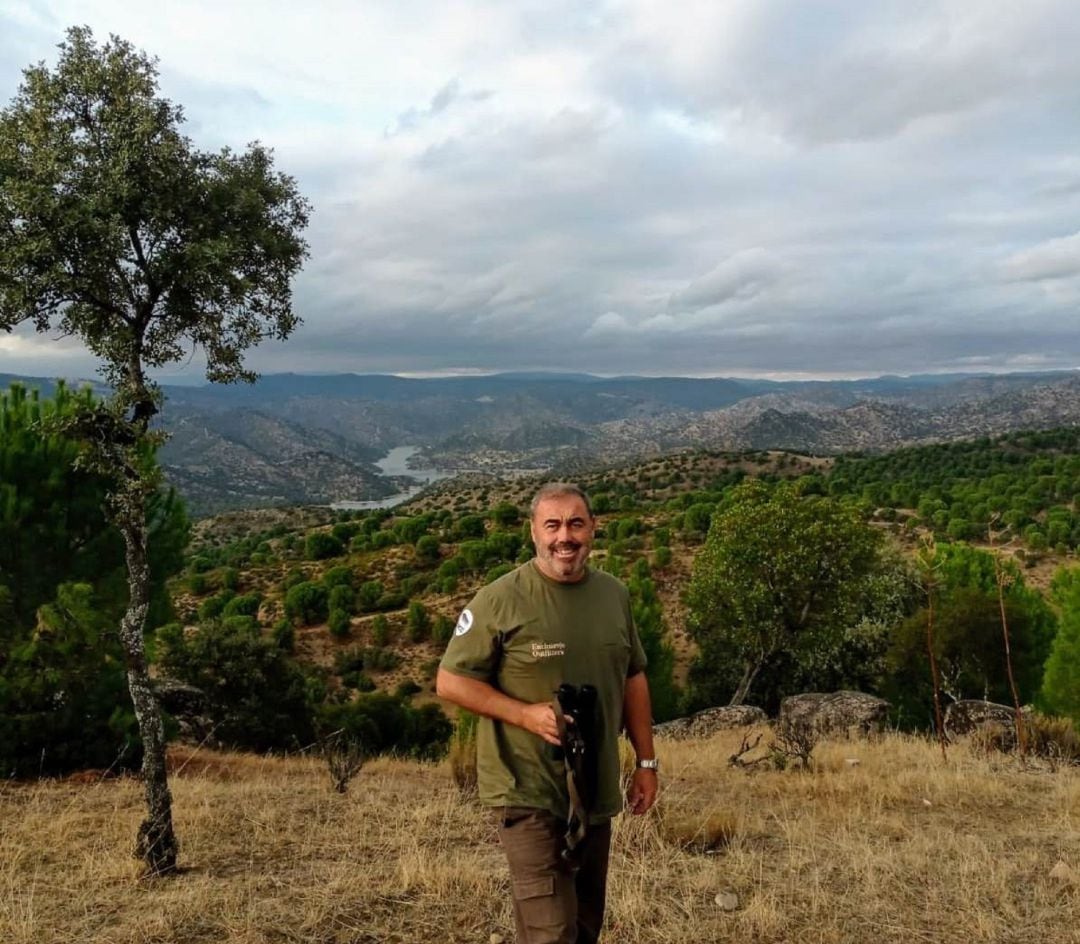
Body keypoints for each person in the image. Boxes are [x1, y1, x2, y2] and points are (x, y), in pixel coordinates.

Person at [436, 482, 658, 944]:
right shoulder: (499, 599)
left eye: (576, 523)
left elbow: (633, 676)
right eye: (552, 525)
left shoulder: (613, 595)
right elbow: (450, 681)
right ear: (533, 532)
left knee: (582, 925)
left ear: (593, 529)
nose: (565, 537)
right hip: (528, 789)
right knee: (551, 932)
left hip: (594, 787)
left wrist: (646, 763)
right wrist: (525, 715)